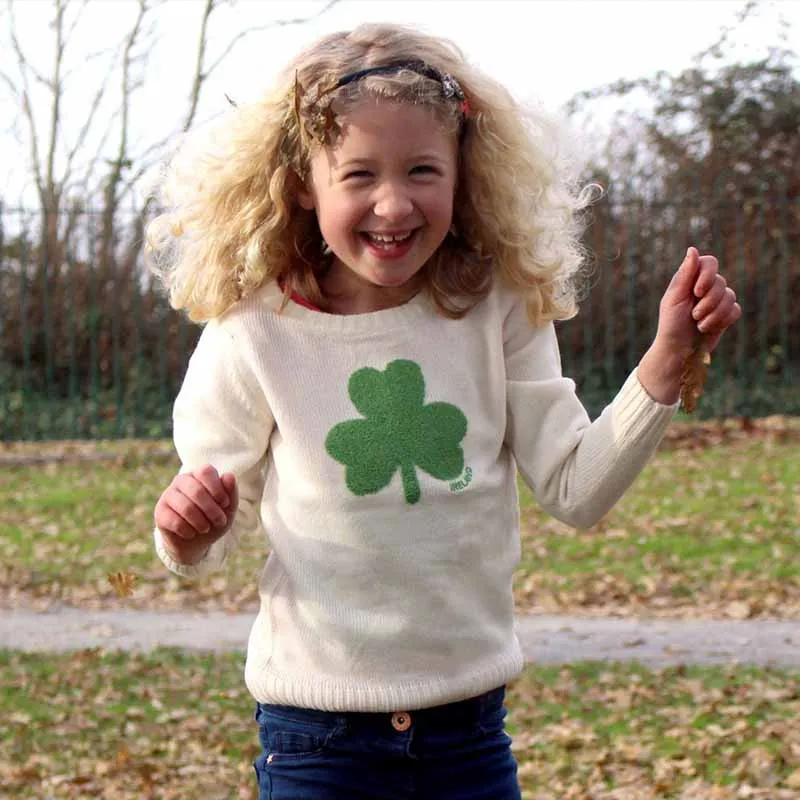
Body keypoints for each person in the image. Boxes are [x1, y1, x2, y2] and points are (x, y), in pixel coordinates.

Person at [147, 22, 741, 800]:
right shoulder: (254, 328)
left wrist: (668, 361)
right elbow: (211, 526)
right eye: (358, 173)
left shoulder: (496, 305)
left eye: (422, 169)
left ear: (464, 172)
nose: (392, 203)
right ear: (303, 182)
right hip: (316, 740)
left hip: (469, 738)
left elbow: (576, 490)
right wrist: (185, 530)